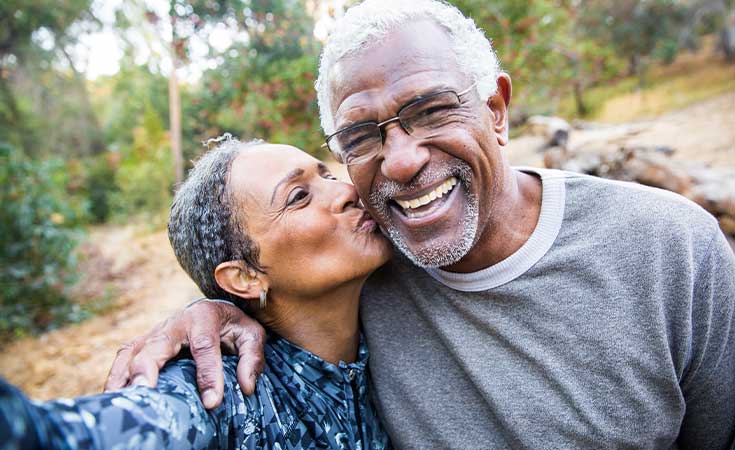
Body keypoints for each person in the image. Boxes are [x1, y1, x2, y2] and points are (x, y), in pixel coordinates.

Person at [105, 1, 735, 449]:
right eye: (360, 136)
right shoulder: (363, 267)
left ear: (496, 110)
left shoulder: (670, 249)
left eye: (431, 110)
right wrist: (208, 312)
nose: (402, 161)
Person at [1, 139, 392, 450]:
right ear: (244, 276)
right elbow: (57, 436)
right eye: (299, 196)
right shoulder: (221, 393)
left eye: (327, 174)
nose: (345, 191)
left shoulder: (400, 300)